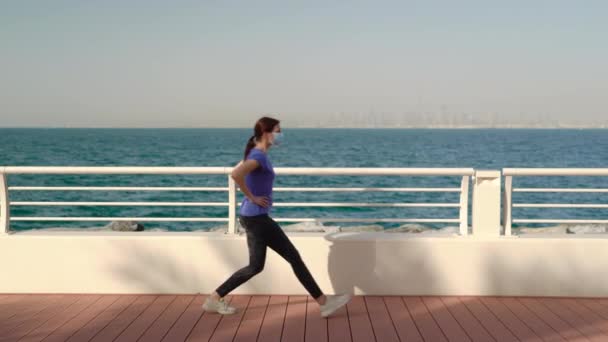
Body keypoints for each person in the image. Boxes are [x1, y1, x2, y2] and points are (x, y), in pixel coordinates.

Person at [203, 116, 351, 317]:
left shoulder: (258, 153)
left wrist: (252, 198)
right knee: (294, 257)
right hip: (257, 219)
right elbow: (236, 174)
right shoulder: (258, 156)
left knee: (255, 266)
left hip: (252, 216)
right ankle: (324, 302)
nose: (281, 135)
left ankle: (214, 298)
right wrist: (253, 197)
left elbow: (241, 174)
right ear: (266, 133)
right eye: (278, 130)